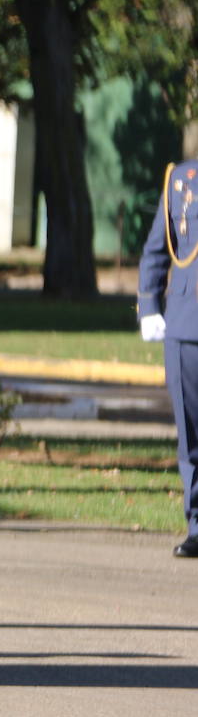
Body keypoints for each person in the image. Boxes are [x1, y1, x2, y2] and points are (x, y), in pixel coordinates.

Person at [137, 162, 198, 558]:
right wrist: (148, 306)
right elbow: (157, 249)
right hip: (184, 324)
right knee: (191, 436)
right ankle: (197, 524)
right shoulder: (180, 180)